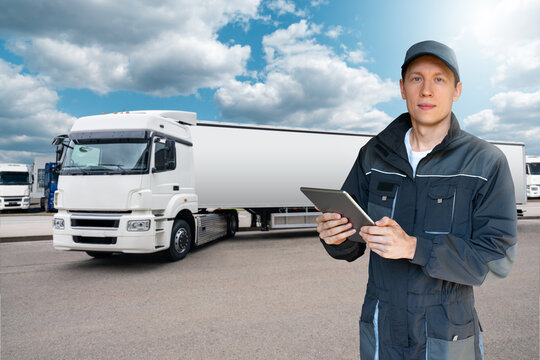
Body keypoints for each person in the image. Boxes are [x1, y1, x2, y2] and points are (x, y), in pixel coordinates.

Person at [316, 40, 517, 360]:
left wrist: (414, 248)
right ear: (402, 87)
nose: (426, 90)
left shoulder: (485, 162)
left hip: (446, 329)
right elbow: (351, 242)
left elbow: (497, 259)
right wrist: (335, 236)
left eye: (439, 79)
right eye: (416, 78)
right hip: (383, 326)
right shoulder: (373, 155)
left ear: (457, 90)